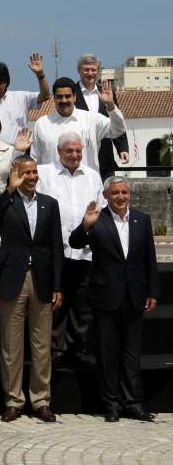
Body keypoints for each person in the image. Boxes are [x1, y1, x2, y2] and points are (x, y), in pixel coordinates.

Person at [68, 177, 159, 422]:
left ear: (129, 194)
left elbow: (149, 258)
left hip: (134, 295)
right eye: (115, 193)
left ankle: (133, 403)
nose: (120, 197)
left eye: (124, 192)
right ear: (106, 195)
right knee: (107, 354)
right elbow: (75, 242)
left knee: (131, 353)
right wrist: (85, 225)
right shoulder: (98, 219)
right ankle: (111, 405)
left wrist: (152, 291)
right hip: (105, 296)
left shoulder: (142, 219)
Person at [0, 157, 63, 423]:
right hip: (12, 280)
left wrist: (57, 285)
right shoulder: (6, 201)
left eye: (33, 172)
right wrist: (10, 188)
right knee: (11, 345)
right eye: (25, 172)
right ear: (16, 174)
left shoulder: (49, 204)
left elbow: (56, 247)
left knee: (42, 346)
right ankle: (13, 400)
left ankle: (41, 400)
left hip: (42, 280)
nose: (31, 177)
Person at [37, 132, 105, 367]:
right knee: (56, 301)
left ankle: (77, 347)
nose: (74, 155)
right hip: (55, 250)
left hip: (85, 251)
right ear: (59, 151)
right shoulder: (45, 173)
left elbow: (101, 211)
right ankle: (56, 348)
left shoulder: (93, 176)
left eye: (78, 151)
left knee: (81, 302)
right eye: (69, 151)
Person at [30, 77, 126, 174]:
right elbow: (35, 159)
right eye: (59, 97)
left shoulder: (92, 119)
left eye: (67, 96)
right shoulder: (42, 124)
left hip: (86, 184)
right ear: (54, 99)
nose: (64, 100)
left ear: (74, 97)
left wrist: (110, 105)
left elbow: (118, 131)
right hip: (53, 185)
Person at [75, 54, 130, 180]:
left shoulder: (107, 93)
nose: (90, 73)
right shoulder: (71, 93)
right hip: (80, 154)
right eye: (86, 70)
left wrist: (122, 147)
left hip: (105, 155)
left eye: (93, 70)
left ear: (98, 71)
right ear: (79, 70)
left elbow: (116, 121)